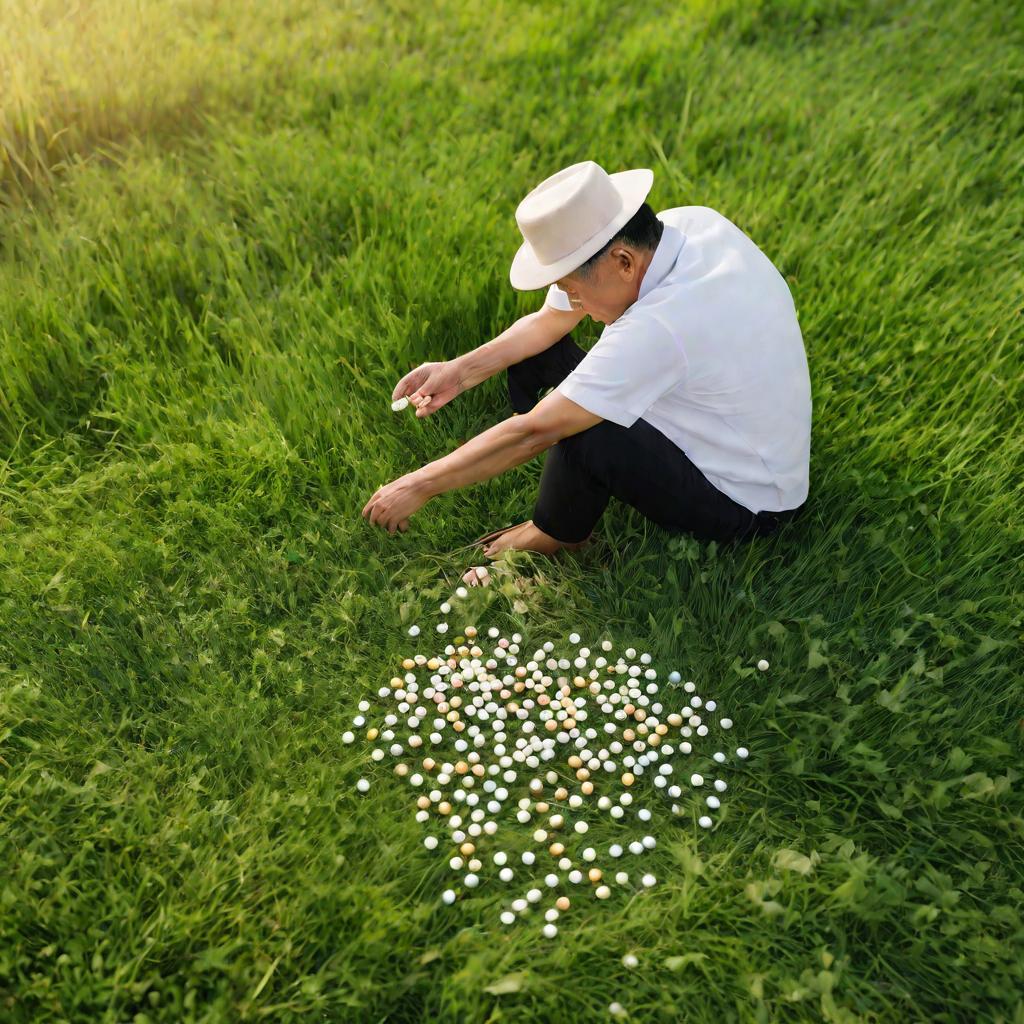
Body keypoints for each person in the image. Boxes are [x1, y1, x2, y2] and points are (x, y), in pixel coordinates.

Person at [361, 160, 812, 587]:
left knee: (586, 429)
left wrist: (418, 484)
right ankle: (569, 476)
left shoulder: (660, 326)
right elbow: (547, 324)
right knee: (546, 360)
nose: (572, 304)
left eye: (573, 290)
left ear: (622, 262)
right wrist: (456, 373)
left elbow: (532, 432)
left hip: (748, 501)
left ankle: (555, 536)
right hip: (721, 421)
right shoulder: (687, 226)